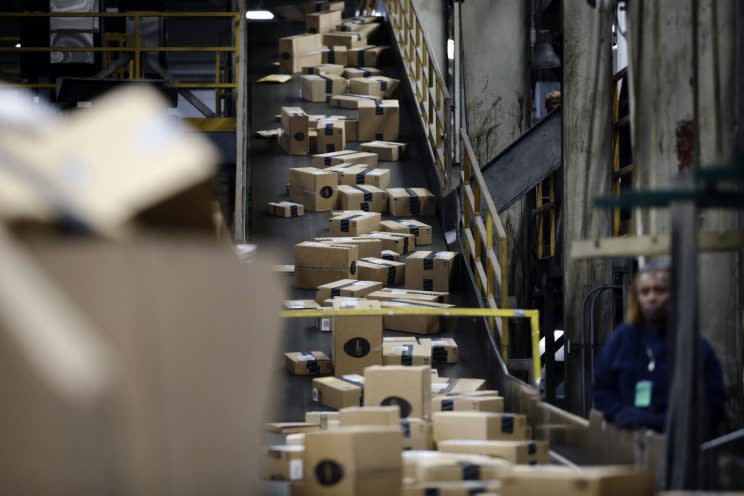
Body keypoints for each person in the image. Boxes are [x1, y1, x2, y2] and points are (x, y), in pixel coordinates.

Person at [592, 263, 726, 433]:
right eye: (645, 292)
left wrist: (656, 421)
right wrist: (620, 413)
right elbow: (601, 388)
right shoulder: (622, 339)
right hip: (629, 439)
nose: (652, 297)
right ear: (636, 297)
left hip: (679, 445)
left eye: (660, 290)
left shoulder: (694, 346)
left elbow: (712, 406)